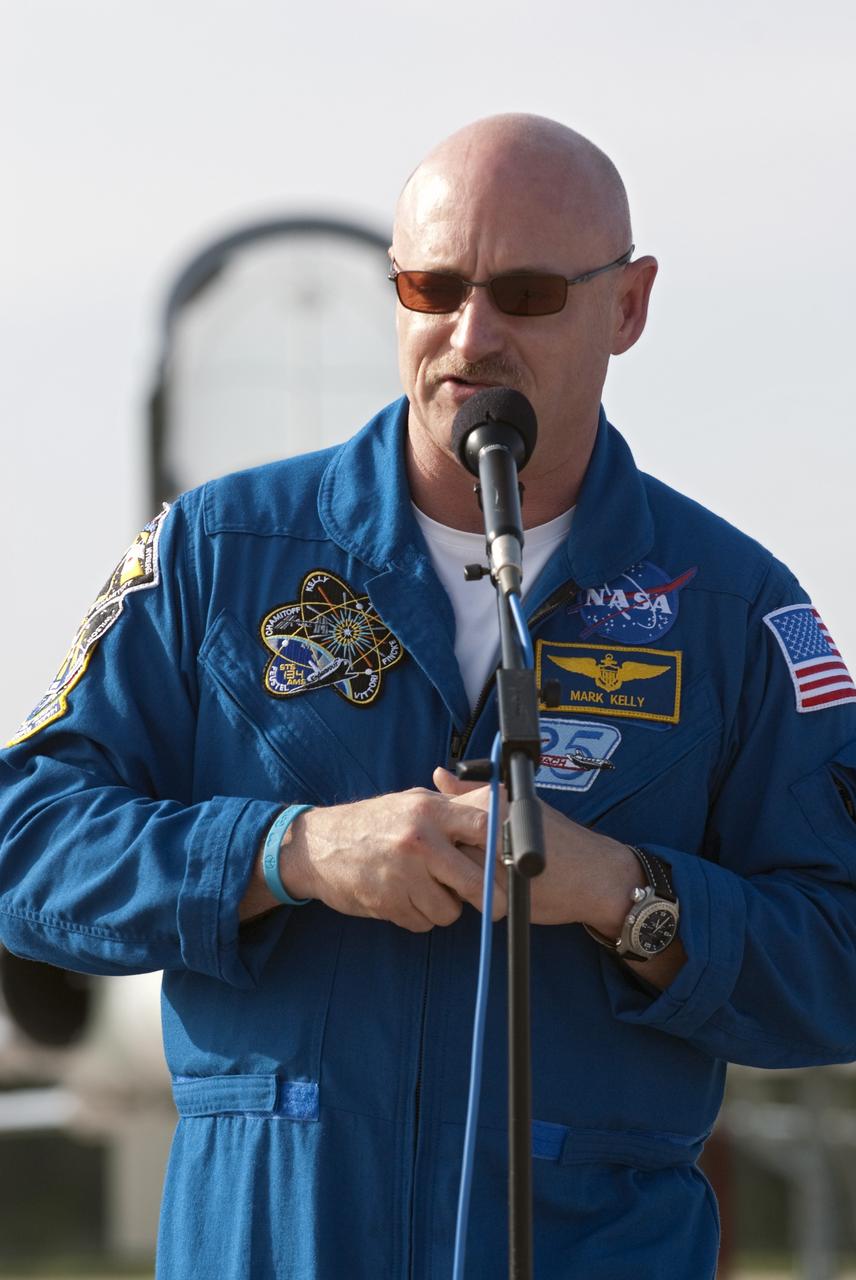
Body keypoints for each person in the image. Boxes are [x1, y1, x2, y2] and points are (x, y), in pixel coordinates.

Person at [1, 113, 855, 1279]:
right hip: (268, 1240)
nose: (470, 333)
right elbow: (26, 839)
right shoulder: (217, 551)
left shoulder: (734, 609)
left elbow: (838, 949)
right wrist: (286, 853)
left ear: (628, 305)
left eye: (527, 291)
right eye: (431, 284)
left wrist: (627, 894)